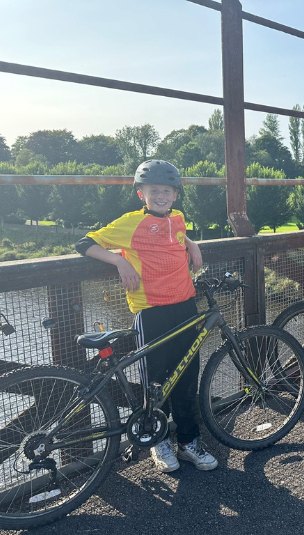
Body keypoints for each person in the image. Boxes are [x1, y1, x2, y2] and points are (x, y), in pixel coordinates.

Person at [75, 159, 218, 473]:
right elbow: (84, 243)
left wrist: (192, 243)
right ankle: (159, 441)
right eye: (154, 191)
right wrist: (118, 261)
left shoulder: (178, 218)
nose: (161, 196)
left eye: (166, 191)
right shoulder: (130, 222)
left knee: (186, 377)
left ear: (175, 195)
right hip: (151, 311)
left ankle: (190, 442)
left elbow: (175, 236)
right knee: (154, 382)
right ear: (141, 194)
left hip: (185, 306)